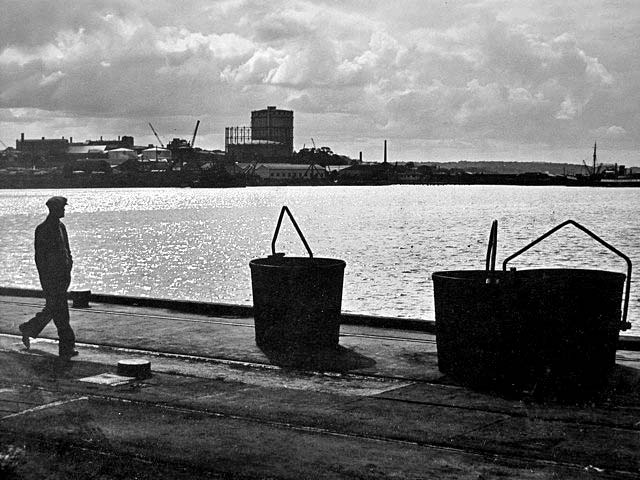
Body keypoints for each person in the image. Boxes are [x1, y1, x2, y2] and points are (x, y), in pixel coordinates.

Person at [19, 196, 78, 360]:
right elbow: (40, 258)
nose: (64, 210)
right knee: (61, 313)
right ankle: (66, 346)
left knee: (54, 309)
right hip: (51, 278)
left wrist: (69, 266)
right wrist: (45, 278)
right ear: (54, 209)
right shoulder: (43, 229)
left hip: (63, 276)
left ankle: (29, 328)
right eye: (62, 207)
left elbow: (67, 250)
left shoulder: (61, 227)